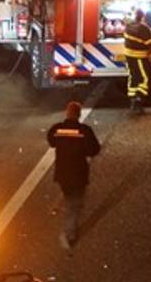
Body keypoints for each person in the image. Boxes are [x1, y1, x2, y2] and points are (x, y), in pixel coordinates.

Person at [47, 100, 101, 250]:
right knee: (75, 205)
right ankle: (69, 234)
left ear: (67, 113)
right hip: (79, 173)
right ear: (79, 114)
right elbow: (94, 150)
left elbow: (51, 142)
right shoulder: (85, 131)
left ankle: (62, 204)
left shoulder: (57, 129)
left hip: (62, 173)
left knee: (69, 196)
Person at [123, 9, 151, 114]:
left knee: (133, 76)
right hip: (140, 56)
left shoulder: (128, 26)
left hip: (129, 56)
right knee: (145, 77)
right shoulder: (144, 29)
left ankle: (132, 98)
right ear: (142, 17)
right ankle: (139, 98)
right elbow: (149, 43)